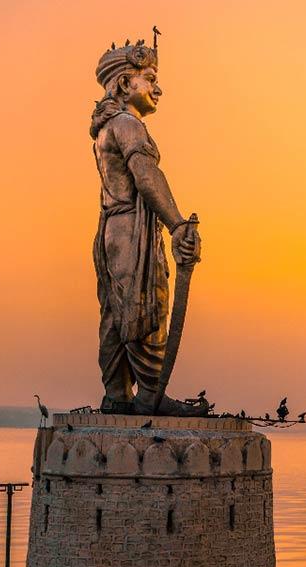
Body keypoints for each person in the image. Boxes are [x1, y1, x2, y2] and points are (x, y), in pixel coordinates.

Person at [90, 38, 206, 415]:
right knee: (146, 306)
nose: (157, 88)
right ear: (125, 84)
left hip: (111, 229)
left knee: (116, 311)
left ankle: (117, 394)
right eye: (149, 78)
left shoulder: (107, 128)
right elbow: (145, 174)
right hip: (129, 227)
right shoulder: (126, 125)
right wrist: (176, 224)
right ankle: (149, 395)